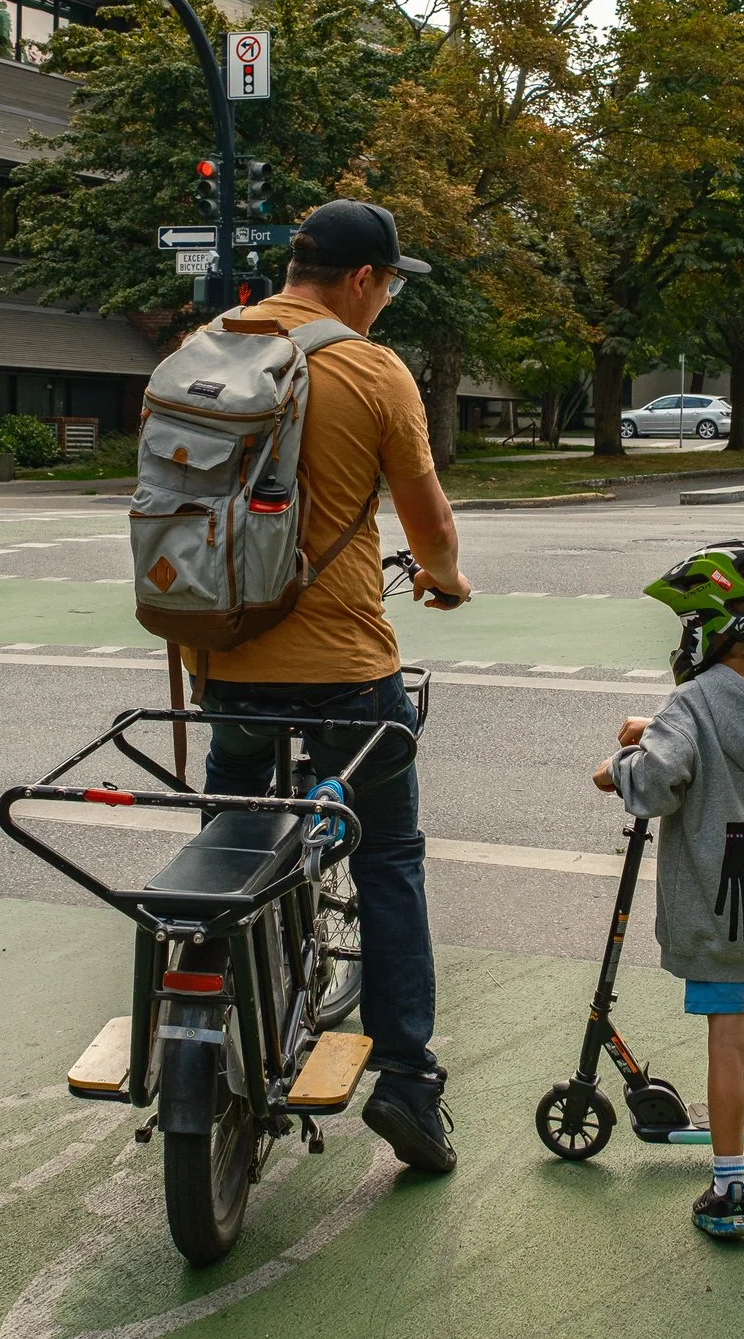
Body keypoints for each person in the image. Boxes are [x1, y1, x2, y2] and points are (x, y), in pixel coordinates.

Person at [194, 199, 472, 1173]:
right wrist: (445, 577)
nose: (387, 300)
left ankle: (213, 984)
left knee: (227, 834)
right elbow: (428, 525)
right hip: (348, 671)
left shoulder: (208, 347)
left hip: (224, 658)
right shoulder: (368, 366)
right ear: (362, 279)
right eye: (389, 283)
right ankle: (406, 1079)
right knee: (388, 853)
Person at [594, 540, 744, 1238]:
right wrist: (654, 726)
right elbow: (715, 733)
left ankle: (727, 1188)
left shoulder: (689, 703)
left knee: (727, 1043)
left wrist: (615, 766)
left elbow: (659, 778)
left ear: (710, 625)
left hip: (726, 908)